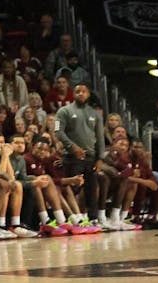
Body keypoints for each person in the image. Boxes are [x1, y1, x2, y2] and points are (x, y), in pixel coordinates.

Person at [54, 81, 103, 230]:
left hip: (90, 156)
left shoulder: (95, 114)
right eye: (77, 91)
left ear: (88, 94)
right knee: (72, 188)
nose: (80, 93)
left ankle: (93, 218)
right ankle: (70, 217)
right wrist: (72, 146)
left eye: (84, 91)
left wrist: (100, 157)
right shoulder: (63, 111)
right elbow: (58, 132)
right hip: (71, 156)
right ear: (73, 94)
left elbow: (100, 137)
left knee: (91, 188)